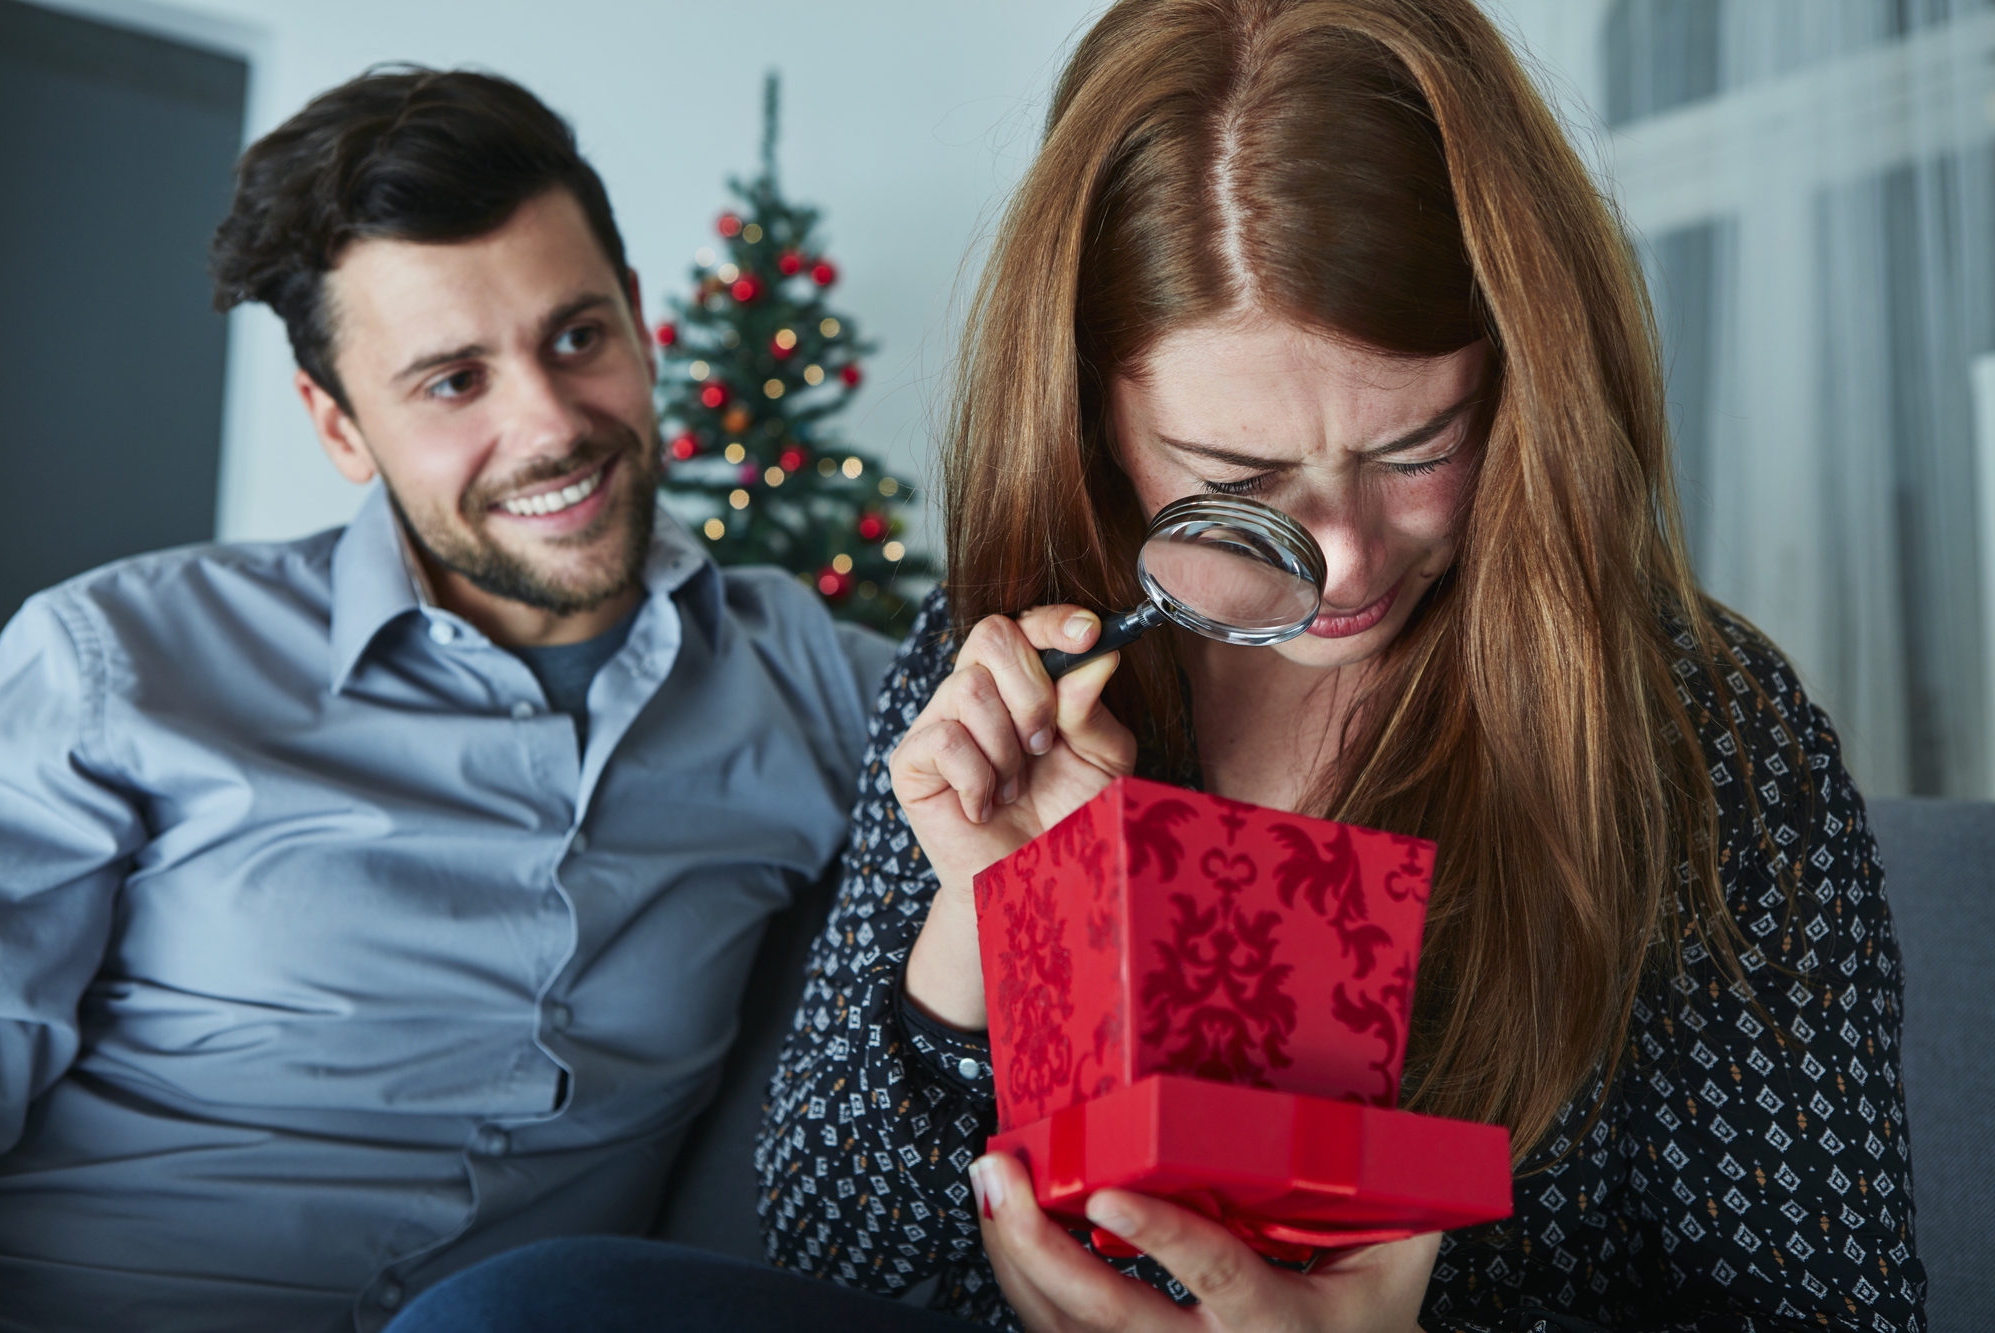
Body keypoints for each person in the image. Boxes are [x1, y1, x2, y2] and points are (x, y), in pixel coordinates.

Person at [393, 0, 1925, 1329]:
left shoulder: (1698, 725)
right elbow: (843, 1252)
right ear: (1096, 417)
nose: (1337, 558)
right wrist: (982, 930)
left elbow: (1828, 1306)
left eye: (1417, 450)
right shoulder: (1013, 670)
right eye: (1237, 475)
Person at [0, 68, 893, 1332]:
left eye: (577, 336)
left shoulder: (811, 679)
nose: (549, 425)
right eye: (451, 381)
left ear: (640, 322)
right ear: (340, 426)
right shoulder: (116, 663)